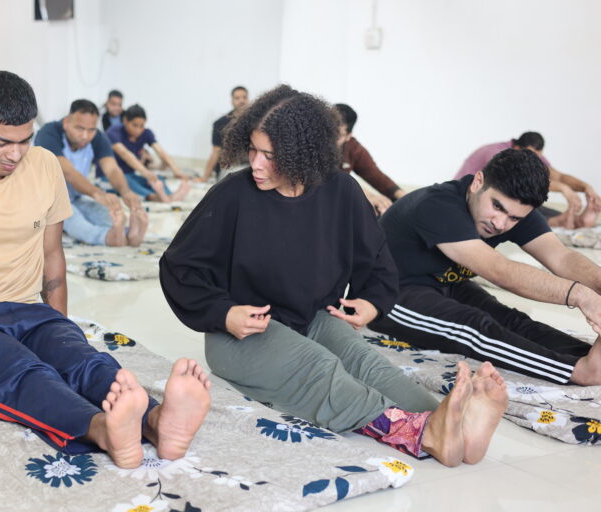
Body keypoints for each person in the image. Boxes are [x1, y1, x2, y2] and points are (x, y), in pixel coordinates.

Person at [160, 85, 507, 467]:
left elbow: (377, 261)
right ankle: (423, 433)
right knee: (321, 369)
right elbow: (179, 266)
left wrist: (371, 303)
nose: (255, 164)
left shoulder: (341, 191)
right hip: (242, 334)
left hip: (312, 318)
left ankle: (453, 423)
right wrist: (224, 312)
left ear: (301, 153)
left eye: (269, 156)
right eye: (253, 151)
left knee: (367, 362)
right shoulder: (233, 195)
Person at [0, 70, 211, 468]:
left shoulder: (43, 166)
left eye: (25, 141)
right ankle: (103, 429)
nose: (15, 154)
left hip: (29, 310)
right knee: (22, 370)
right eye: (1, 142)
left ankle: (158, 421)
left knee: (83, 360)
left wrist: (60, 331)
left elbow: (52, 255)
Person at [371, 149, 601, 386]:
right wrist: (582, 296)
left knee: (510, 320)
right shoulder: (437, 205)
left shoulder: (516, 211)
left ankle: (584, 355)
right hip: (391, 294)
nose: (500, 223)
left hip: (448, 283)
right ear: (477, 182)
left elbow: (561, 257)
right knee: (473, 326)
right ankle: (580, 372)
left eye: (514, 218)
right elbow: (499, 270)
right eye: (497, 207)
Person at [34, 99, 148, 246]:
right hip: (48, 199)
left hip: (75, 196)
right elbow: (67, 172)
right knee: (74, 220)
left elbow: (111, 168)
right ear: (66, 122)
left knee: (104, 213)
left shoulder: (97, 137)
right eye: (80, 129)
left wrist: (126, 192)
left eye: (91, 130)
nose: (85, 136)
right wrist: (97, 193)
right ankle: (106, 238)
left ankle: (129, 233)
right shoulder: (49, 133)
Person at [455, 132, 600, 229]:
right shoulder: (496, 152)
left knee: (533, 208)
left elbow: (558, 176)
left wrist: (586, 187)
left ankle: (574, 220)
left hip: (508, 197)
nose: (537, 159)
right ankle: (562, 221)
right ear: (517, 147)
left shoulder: (530, 155)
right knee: (524, 211)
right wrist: (563, 189)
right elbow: (518, 179)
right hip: (470, 198)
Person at [106, 105, 191, 202]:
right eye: (134, 125)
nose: (138, 130)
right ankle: (154, 197)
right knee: (126, 181)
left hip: (131, 175)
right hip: (108, 177)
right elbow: (125, 154)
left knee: (156, 178)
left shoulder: (146, 133)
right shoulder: (113, 132)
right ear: (125, 120)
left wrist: (176, 171)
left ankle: (168, 195)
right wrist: (145, 172)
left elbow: (161, 152)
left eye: (141, 126)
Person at [334, 103, 406, 215]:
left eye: (338, 134)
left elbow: (375, 175)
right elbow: (327, 177)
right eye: (328, 131)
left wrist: (407, 199)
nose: (330, 138)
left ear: (348, 136)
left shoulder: (352, 148)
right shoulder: (311, 143)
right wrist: (365, 195)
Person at [197, 86, 249, 183]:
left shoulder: (257, 121)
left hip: (251, 165)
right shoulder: (221, 123)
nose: (241, 101)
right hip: (231, 167)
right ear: (232, 100)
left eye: (244, 97)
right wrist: (205, 177)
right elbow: (216, 152)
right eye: (237, 98)